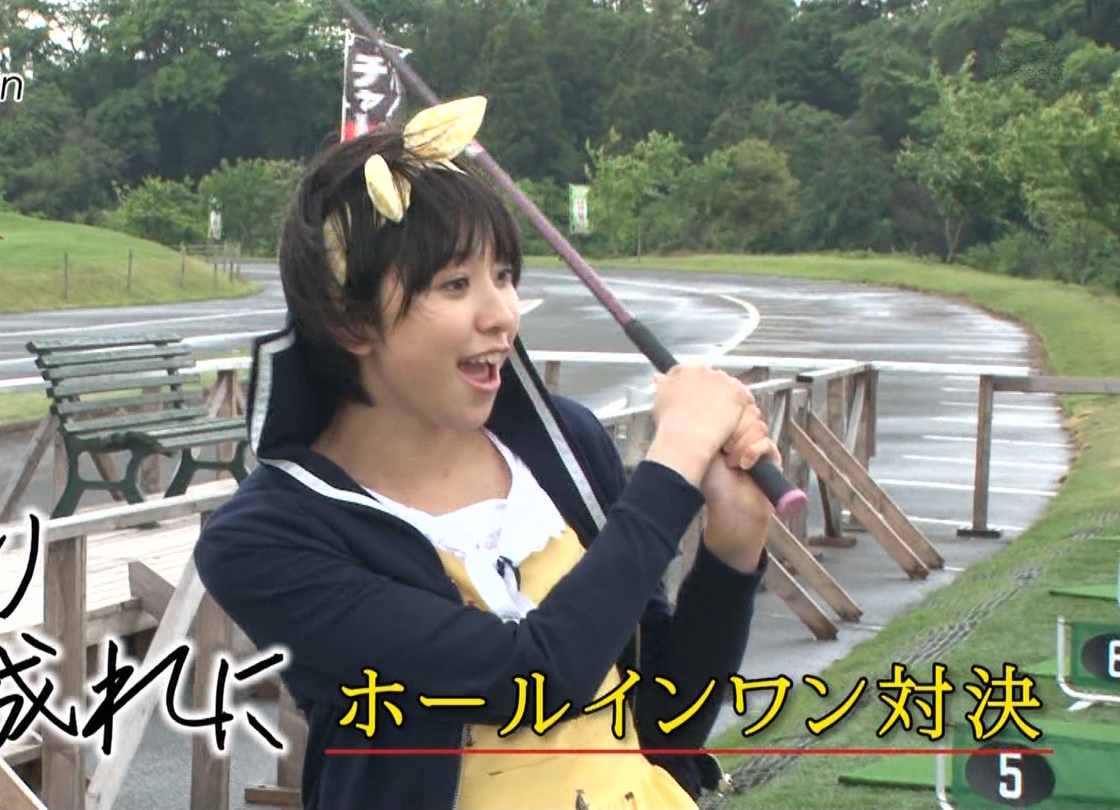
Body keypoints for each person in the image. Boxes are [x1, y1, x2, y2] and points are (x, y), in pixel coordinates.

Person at [193, 96, 777, 810]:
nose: (502, 315)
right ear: (350, 320)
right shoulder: (266, 540)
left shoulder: (567, 448)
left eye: (503, 276)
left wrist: (733, 547)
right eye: (455, 284)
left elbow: (662, 721)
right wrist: (675, 462)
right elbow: (532, 678)